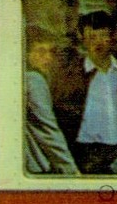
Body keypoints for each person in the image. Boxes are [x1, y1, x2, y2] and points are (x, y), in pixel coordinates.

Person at [56, 10, 117, 173]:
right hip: (82, 153)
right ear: (82, 38)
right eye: (92, 37)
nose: (98, 43)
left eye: (103, 36)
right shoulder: (68, 77)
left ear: (113, 37)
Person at [22, 28, 80, 175]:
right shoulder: (34, 80)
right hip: (35, 168)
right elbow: (47, 128)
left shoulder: (24, 78)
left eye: (52, 52)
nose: (48, 58)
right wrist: (71, 171)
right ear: (26, 54)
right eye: (41, 52)